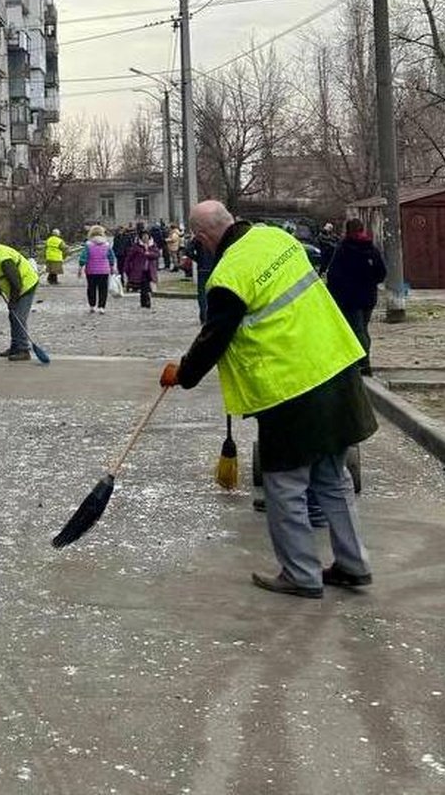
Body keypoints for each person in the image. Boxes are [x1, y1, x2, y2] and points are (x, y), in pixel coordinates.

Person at [160, 200, 375, 599]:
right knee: (332, 477)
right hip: (336, 364)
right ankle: (353, 564)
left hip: (290, 387)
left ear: (204, 237)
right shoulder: (276, 238)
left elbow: (214, 337)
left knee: (286, 484)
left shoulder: (228, 274)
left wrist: (183, 374)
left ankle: (301, 574)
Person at [325, 218, 386, 375]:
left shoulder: (344, 249)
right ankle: (362, 362)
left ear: (347, 230)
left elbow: (333, 275)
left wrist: (333, 293)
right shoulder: (371, 248)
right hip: (368, 297)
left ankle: (363, 364)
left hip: (349, 298)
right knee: (363, 329)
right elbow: (381, 273)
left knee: (357, 329)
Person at [0, 231, 40, 361]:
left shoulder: (4, 259)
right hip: (18, 287)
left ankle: (23, 350)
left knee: (18, 317)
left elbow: (16, 283)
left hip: (26, 285)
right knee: (13, 315)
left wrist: (13, 300)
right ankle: (15, 347)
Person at [78, 224, 115, 314]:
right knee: (103, 288)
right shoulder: (106, 245)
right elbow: (111, 257)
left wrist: (80, 267)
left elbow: (83, 257)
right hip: (104, 270)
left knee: (91, 288)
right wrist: (112, 266)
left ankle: (92, 305)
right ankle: (102, 307)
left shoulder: (88, 245)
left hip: (91, 270)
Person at [184, 233, 217, 324]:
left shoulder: (198, 237)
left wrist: (197, 259)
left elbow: (187, 250)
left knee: (202, 294)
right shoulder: (215, 236)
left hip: (202, 268)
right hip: (214, 268)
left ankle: (204, 317)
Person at [123, 226, 159, 309]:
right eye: (143, 236)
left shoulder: (153, 245)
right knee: (144, 287)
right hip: (140, 270)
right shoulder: (136, 246)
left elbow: (157, 255)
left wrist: (149, 254)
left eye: (146, 236)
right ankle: (145, 302)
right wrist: (127, 268)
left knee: (147, 287)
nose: (145, 238)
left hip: (150, 270)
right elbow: (129, 258)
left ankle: (146, 301)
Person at [112, 224, 133, 289]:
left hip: (126, 255)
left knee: (127, 269)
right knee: (120, 270)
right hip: (119, 255)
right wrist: (115, 253)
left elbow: (130, 246)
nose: (120, 231)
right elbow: (114, 246)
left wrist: (129, 253)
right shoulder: (116, 237)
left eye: (121, 230)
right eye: (119, 230)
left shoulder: (127, 237)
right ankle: (121, 282)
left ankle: (129, 282)